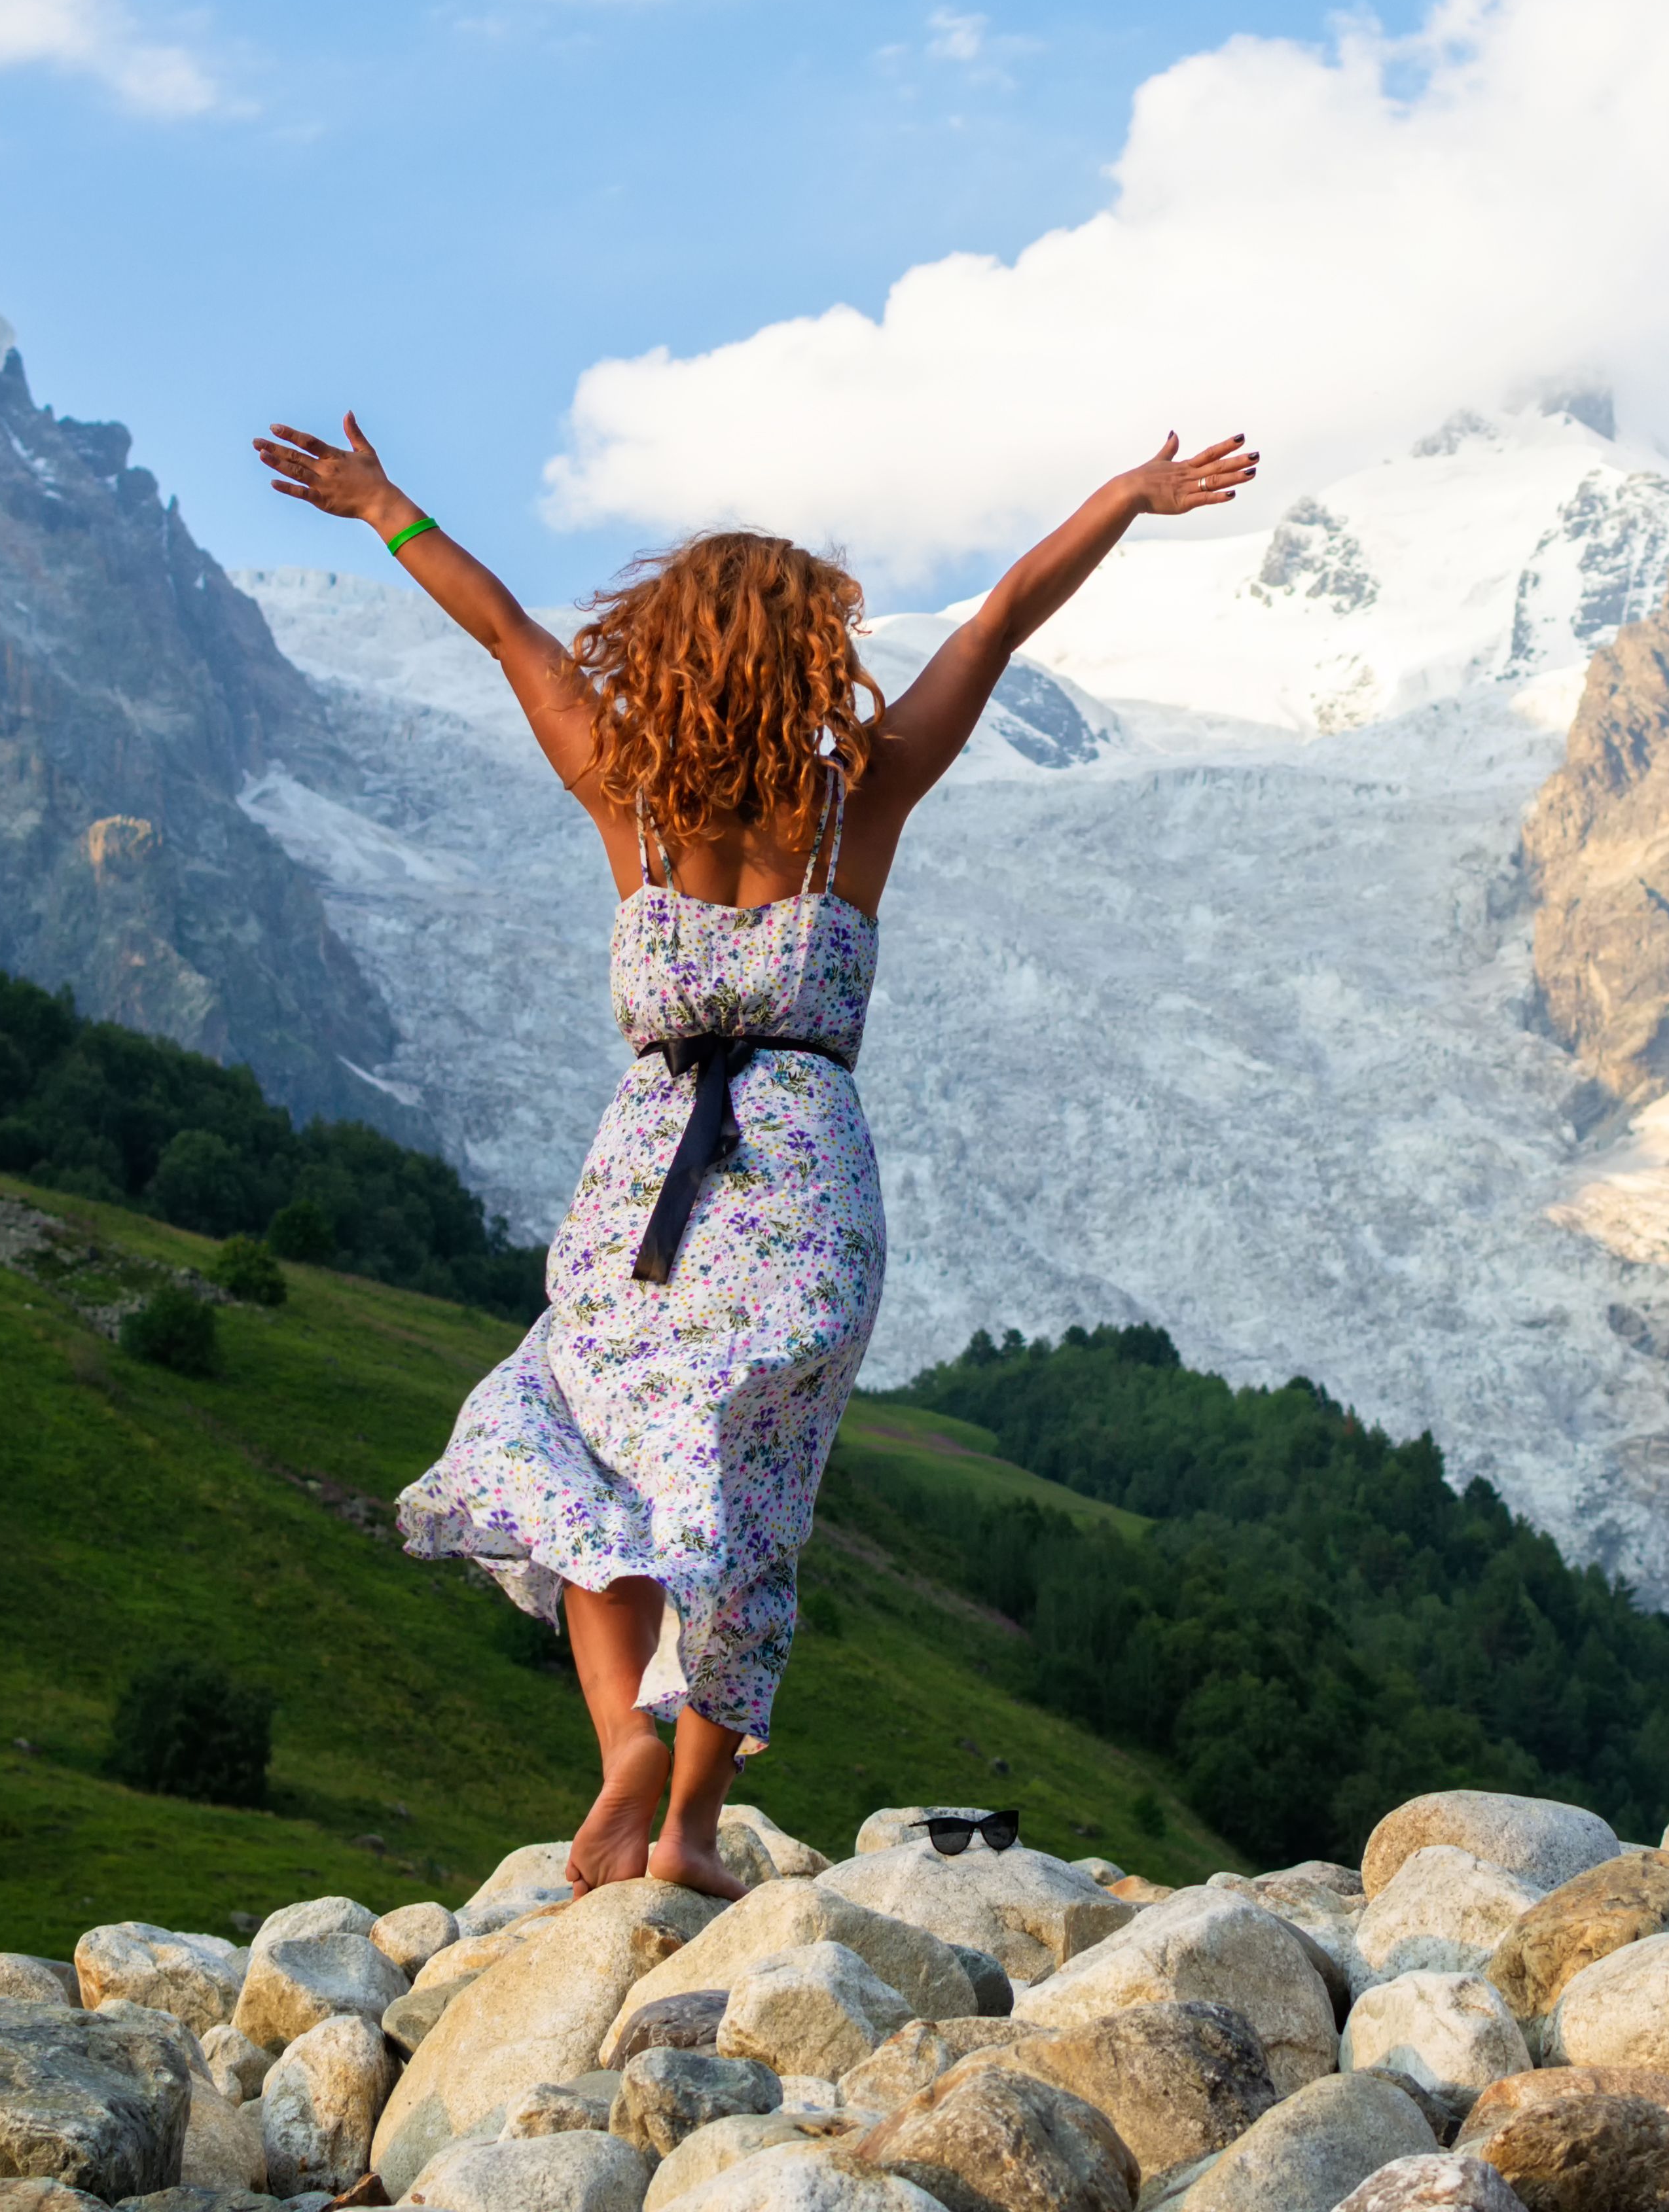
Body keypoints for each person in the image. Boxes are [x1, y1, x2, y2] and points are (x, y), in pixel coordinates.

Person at [249, 412, 1259, 1897]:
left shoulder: (626, 790)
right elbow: (1000, 613)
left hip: (646, 1173)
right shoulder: (866, 788)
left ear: (663, 647)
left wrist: (387, 504)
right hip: (801, 1177)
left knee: (583, 1443)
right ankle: (694, 1826)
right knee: (748, 1488)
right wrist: (1126, 495)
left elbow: (508, 629)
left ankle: (620, 1753)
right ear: (812, 651)